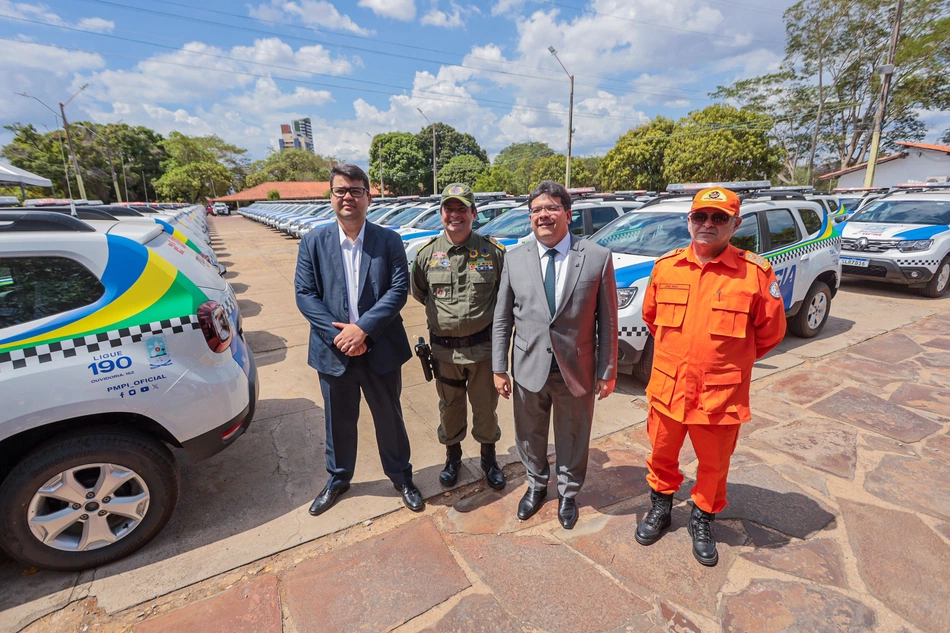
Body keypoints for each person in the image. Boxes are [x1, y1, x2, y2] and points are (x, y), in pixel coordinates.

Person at [635, 186, 786, 566]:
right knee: (661, 455)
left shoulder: (754, 273)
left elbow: (770, 333)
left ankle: (702, 518)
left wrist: (725, 362)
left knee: (714, 466)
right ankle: (661, 507)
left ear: (735, 224)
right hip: (669, 387)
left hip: (720, 395)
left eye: (719, 218)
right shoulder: (666, 266)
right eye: (700, 216)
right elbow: (652, 319)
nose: (708, 224)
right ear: (689, 221)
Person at [294, 164, 423, 516]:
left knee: (389, 417)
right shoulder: (313, 241)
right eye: (340, 191)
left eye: (355, 190)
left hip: (379, 347)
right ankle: (338, 478)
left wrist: (362, 329)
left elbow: (398, 290)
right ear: (331, 197)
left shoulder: (388, 240)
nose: (348, 197)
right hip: (333, 352)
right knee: (338, 420)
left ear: (369, 196)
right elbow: (305, 295)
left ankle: (401, 477)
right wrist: (342, 337)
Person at [492, 180, 618, 530]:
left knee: (573, 433)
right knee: (529, 433)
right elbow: (502, 318)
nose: (543, 216)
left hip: (575, 369)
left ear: (567, 213)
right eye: (536, 210)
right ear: (529, 217)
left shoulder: (595, 257)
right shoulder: (514, 258)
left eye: (550, 208)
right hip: (528, 366)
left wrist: (607, 370)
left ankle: (568, 493)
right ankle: (536, 485)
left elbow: (608, 321)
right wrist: (498, 367)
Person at [411, 183, 507, 491]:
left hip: (483, 352)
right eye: (449, 209)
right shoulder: (426, 255)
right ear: (441, 214)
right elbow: (420, 292)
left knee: (485, 409)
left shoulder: (492, 252)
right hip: (444, 355)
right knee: (450, 409)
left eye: (462, 209)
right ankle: (453, 458)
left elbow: (505, 297)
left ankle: (489, 459)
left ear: (473, 213)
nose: (455, 215)